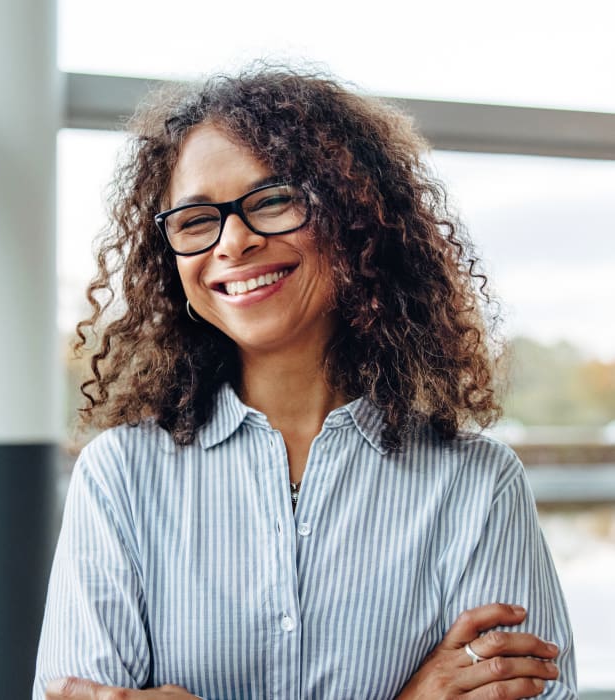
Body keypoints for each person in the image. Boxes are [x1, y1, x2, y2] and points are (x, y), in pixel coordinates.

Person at [34, 67, 577, 699]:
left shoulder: (477, 487)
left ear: (355, 220)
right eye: (194, 219)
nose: (233, 241)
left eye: (271, 201)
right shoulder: (119, 478)